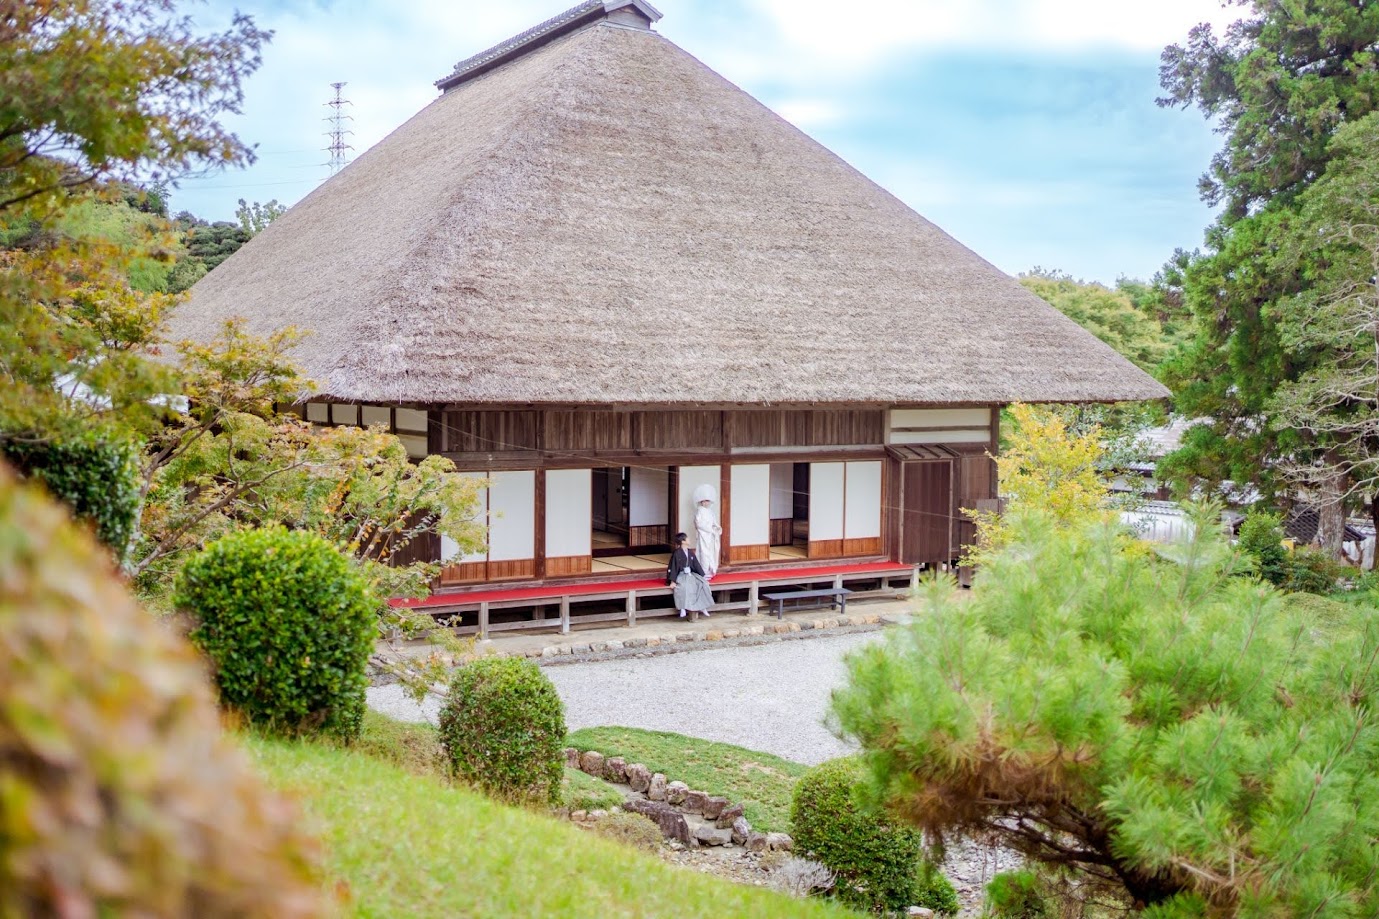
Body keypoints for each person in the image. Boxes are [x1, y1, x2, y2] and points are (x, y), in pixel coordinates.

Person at [666, 532, 713, 619]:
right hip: (681, 575)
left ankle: (703, 607)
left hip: (690, 574)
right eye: (687, 538)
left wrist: (702, 576)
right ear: (683, 541)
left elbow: (696, 564)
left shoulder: (690, 552)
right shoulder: (677, 553)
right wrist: (672, 581)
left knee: (702, 584)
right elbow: (673, 566)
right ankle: (682, 608)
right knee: (683, 587)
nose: (689, 540)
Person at [693, 486, 722, 580]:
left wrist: (717, 527)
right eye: (704, 501)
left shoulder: (710, 511)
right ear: (701, 502)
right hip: (703, 535)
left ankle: (710, 571)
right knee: (704, 553)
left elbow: (714, 522)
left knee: (711, 553)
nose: (706, 503)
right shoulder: (699, 511)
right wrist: (710, 529)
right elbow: (699, 524)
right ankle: (703, 572)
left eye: (708, 501)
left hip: (711, 536)